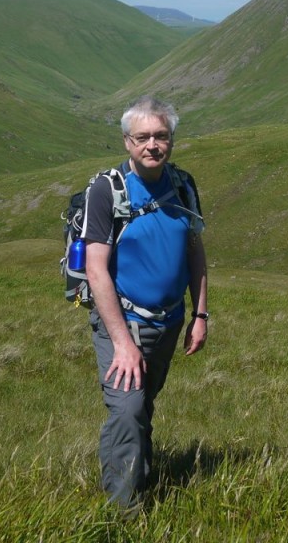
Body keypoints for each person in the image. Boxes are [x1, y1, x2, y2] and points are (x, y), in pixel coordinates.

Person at [81, 95, 209, 510]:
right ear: (126, 142)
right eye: (143, 137)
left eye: (161, 136)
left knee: (140, 409)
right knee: (128, 408)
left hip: (170, 323)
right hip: (123, 323)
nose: (152, 144)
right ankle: (122, 513)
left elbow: (195, 251)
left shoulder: (184, 185)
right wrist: (121, 341)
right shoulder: (106, 191)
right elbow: (97, 270)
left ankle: (138, 474)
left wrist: (200, 313)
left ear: (171, 140)